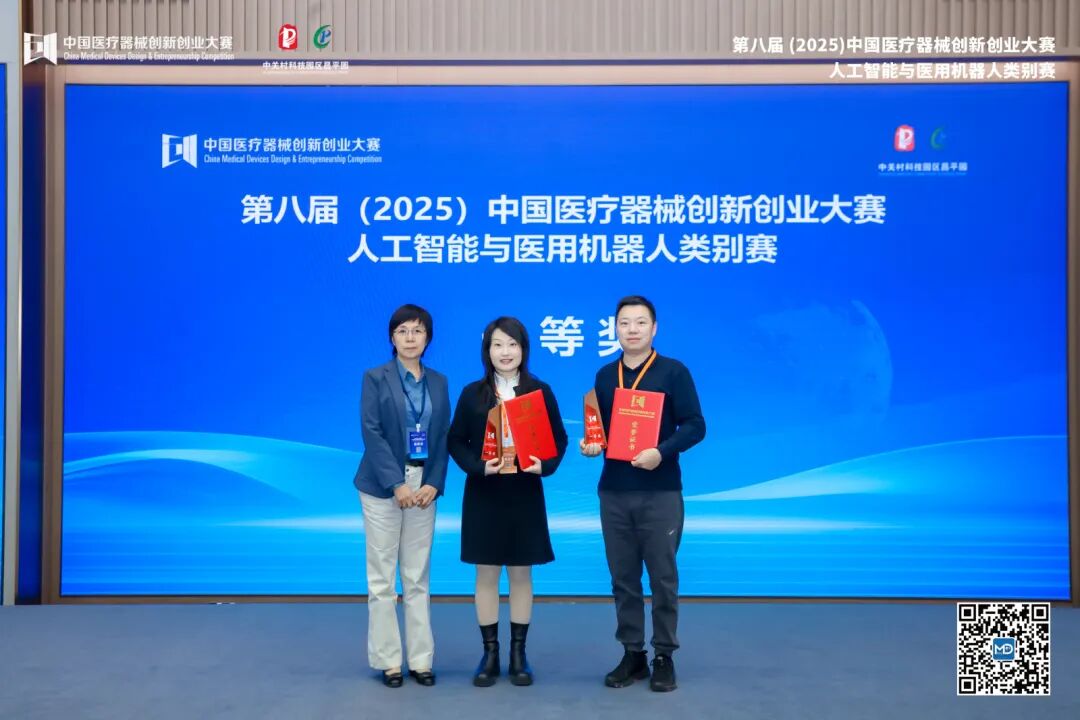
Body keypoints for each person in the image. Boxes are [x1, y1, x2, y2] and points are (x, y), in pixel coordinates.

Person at [580, 295, 705, 692]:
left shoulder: (674, 372)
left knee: (663, 578)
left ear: (654, 328)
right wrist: (591, 445)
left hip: (660, 492)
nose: (631, 330)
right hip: (614, 492)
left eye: (640, 322)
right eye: (624, 323)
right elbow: (600, 431)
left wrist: (661, 452)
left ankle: (664, 654)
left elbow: (695, 425)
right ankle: (632, 653)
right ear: (615, 329)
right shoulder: (605, 375)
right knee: (623, 578)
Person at [448, 316, 568, 687]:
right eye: (497, 344)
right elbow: (455, 441)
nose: (505, 352)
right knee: (485, 574)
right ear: (487, 350)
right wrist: (478, 466)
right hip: (484, 493)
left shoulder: (540, 391)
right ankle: (489, 654)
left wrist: (543, 465)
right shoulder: (472, 393)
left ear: (523, 349)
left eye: (512, 344)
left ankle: (519, 655)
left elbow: (559, 439)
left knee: (520, 574)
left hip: (524, 493)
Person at [353, 304, 451, 688]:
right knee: (382, 578)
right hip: (382, 488)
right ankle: (389, 661)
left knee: (417, 575)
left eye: (418, 331)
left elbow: (443, 436)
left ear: (428, 338)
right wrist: (397, 484)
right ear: (392, 337)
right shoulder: (374, 378)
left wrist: (433, 483)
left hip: (423, 488)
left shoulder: (439, 382)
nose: (411, 338)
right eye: (403, 331)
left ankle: (421, 660)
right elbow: (372, 432)